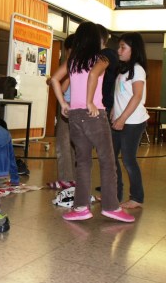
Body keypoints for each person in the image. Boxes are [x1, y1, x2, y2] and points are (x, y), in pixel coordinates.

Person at [50, 21, 134, 223]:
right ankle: (111, 207)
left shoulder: (73, 60)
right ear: (97, 39)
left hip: (75, 116)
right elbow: (94, 74)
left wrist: (63, 104)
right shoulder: (101, 58)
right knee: (107, 161)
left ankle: (80, 207)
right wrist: (89, 101)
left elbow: (54, 79)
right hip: (94, 115)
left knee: (83, 162)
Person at [111, 32, 149, 209]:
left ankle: (137, 197)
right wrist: (114, 110)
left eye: (123, 47)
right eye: (119, 47)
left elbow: (137, 96)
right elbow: (121, 94)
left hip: (133, 122)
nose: (119, 50)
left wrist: (122, 118)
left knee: (128, 160)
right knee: (111, 158)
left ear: (133, 50)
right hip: (120, 119)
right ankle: (114, 194)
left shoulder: (138, 69)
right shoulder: (123, 69)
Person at [46, 34, 76, 190]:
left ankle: (66, 179)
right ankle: (74, 179)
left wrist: (52, 81)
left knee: (63, 143)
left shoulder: (73, 62)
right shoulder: (89, 62)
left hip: (69, 105)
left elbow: (61, 86)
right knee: (74, 145)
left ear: (70, 49)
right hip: (81, 107)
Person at [97, 24, 119, 120]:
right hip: (106, 101)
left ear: (101, 39)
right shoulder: (109, 53)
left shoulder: (105, 55)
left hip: (105, 102)